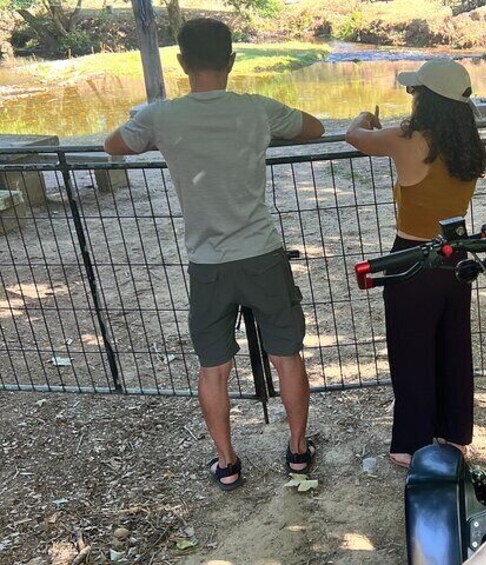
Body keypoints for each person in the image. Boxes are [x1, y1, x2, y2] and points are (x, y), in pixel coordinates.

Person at [104, 18, 324, 490]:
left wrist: (148, 123)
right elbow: (315, 127)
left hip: (207, 263)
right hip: (262, 254)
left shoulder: (161, 116)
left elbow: (113, 145)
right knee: (287, 356)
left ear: (182, 63)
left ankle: (226, 463)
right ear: (231, 62)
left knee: (213, 367)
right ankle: (299, 453)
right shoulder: (257, 109)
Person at [345, 59, 486, 468]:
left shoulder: (406, 140)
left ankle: (410, 444)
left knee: (411, 351)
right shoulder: (470, 145)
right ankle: (455, 435)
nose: (412, 96)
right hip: (455, 256)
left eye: (415, 90)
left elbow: (354, 135)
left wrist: (365, 115)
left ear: (426, 98)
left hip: (410, 257)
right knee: (453, 345)